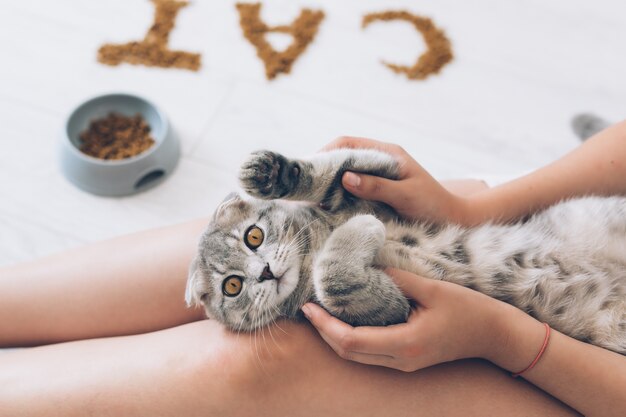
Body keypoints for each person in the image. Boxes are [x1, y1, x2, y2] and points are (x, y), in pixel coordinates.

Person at [1, 121, 625, 416]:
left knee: (256, 360)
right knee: (251, 240)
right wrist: (472, 208)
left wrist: (506, 338)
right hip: (588, 234)